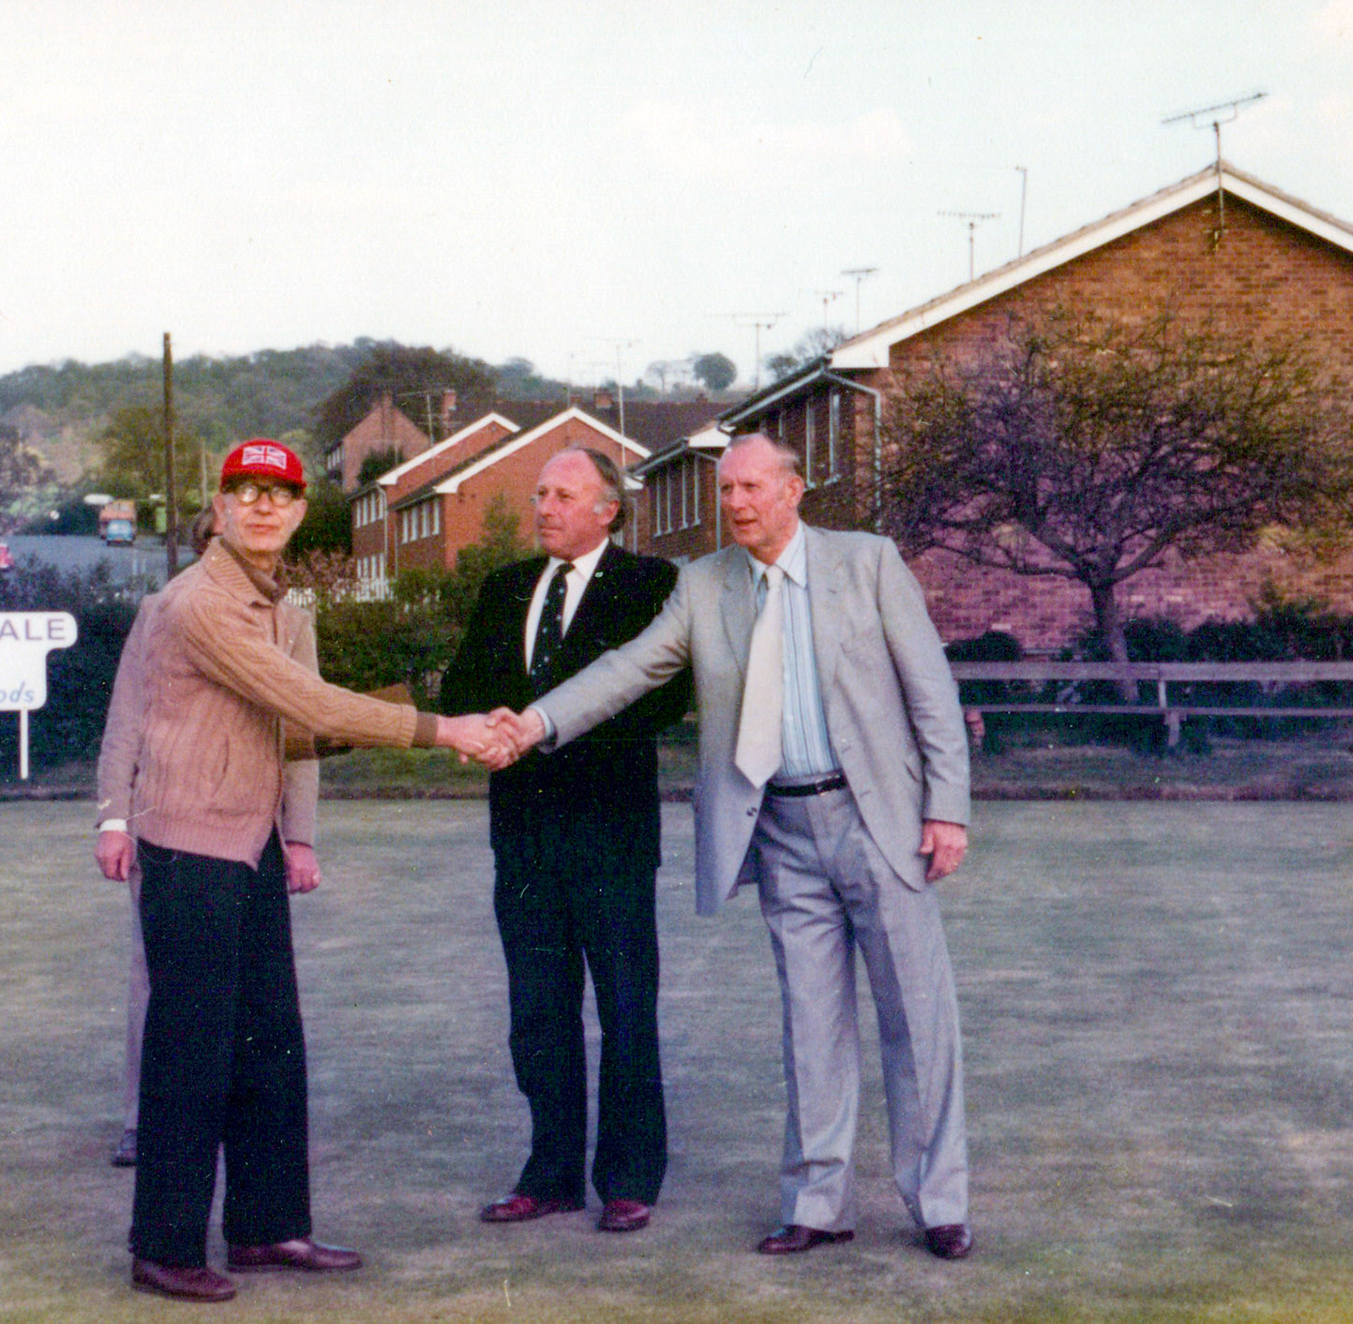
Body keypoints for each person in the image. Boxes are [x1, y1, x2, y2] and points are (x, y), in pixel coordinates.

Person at [494, 432, 976, 1261]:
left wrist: (948, 809)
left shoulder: (868, 563)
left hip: (881, 823)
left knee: (916, 1021)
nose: (738, 504)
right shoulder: (702, 584)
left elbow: (932, 692)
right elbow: (629, 668)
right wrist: (537, 722)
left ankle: (938, 1202)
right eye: (726, 492)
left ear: (794, 491)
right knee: (809, 1024)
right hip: (780, 832)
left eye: (753, 487)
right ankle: (818, 1204)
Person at [101, 438, 506, 1303]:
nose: (261, 508)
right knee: (189, 1054)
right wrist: (444, 729)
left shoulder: (278, 603)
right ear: (217, 504)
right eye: (243, 493)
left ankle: (266, 1228)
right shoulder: (196, 604)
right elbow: (309, 704)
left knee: (270, 1047)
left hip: (247, 849)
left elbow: (295, 740)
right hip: (189, 848)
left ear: (297, 512)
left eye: (278, 496)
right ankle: (163, 1245)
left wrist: (299, 834)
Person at [440, 448, 691, 1235]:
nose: (544, 507)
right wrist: (485, 732)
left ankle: (627, 1177)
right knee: (537, 1013)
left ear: (607, 509)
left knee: (624, 1007)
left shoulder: (652, 586)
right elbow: (462, 691)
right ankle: (549, 1174)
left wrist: (541, 733)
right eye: (540, 493)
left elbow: (661, 697)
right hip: (520, 837)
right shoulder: (505, 586)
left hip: (609, 834)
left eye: (563, 495)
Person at [95, 505, 235, 1170]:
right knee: (155, 977)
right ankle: (140, 1118)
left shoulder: (284, 622)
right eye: (211, 543)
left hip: (245, 833)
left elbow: (297, 744)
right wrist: (113, 819)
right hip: (165, 826)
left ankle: (230, 1117)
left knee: (245, 984)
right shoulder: (158, 614)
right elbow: (126, 720)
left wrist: (301, 837)